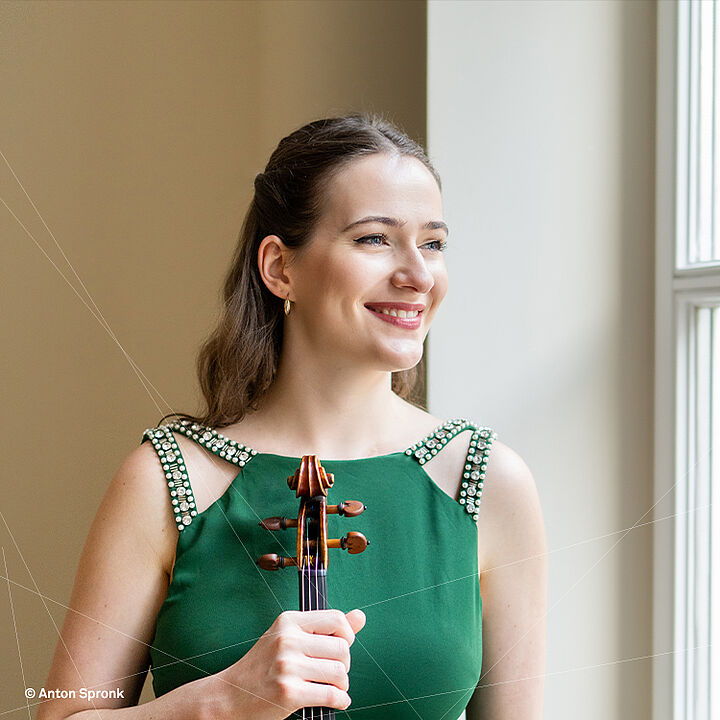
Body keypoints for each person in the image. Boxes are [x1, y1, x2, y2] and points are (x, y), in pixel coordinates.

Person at [36, 113, 547, 720]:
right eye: (373, 239)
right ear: (280, 267)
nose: (417, 276)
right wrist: (223, 700)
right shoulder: (166, 477)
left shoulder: (488, 483)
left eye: (433, 243)